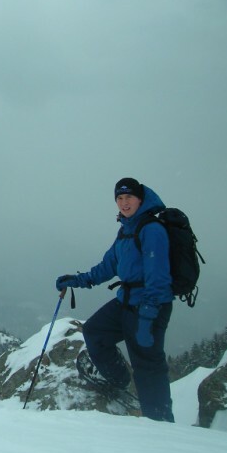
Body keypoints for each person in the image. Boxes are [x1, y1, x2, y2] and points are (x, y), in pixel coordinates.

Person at [56, 177, 175, 422]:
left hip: (149, 306)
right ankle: (118, 380)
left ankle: (160, 422)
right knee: (95, 331)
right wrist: (76, 280)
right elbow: (107, 266)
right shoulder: (126, 231)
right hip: (127, 301)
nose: (124, 202)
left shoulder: (152, 230)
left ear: (140, 199)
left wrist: (148, 316)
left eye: (129, 197)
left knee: (147, 366)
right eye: (119, 198)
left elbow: (158, 277)